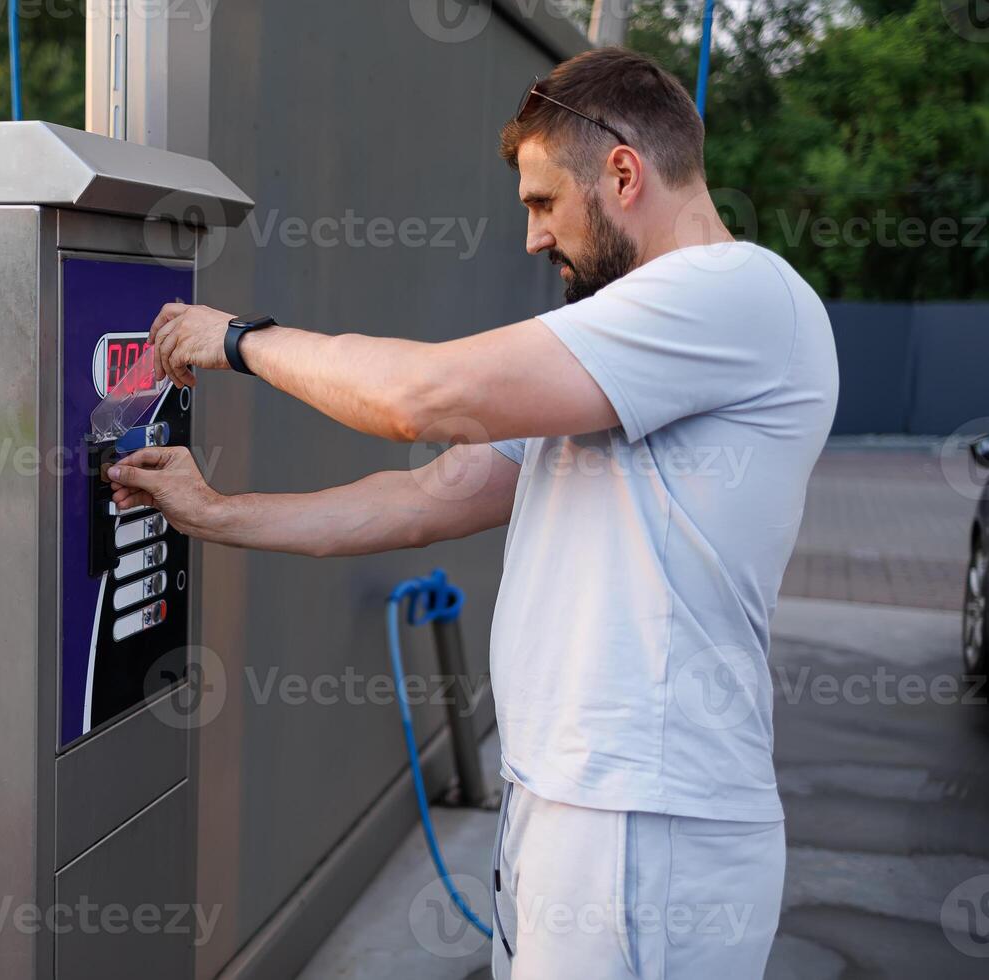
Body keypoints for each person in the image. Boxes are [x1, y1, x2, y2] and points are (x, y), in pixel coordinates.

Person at [107, 47, 838, 980]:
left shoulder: (733, 294)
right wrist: (213, 513)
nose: (533, 239)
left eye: (542, 203)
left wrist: (241, 341)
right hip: (573, 802)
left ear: (623, 172)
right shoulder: (628, 347)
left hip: (648, 821)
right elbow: (428, 494)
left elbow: (428, 395)